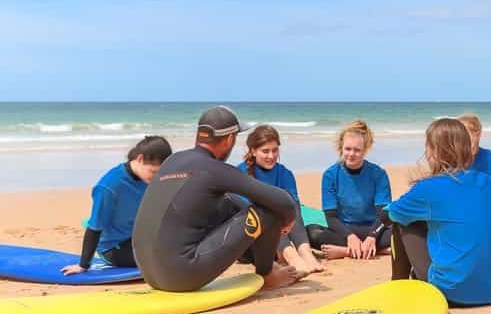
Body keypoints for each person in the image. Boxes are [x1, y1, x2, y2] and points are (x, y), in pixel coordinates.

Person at [132, 106, 301, 292]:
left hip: (147, 272)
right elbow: (284, 202)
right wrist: (288, 220)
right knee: (269, 212)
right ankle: (267, 274)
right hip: (182, 276)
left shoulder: (172, 161)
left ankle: (267, 262)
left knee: (228, 201)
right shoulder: (214, 169)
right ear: (229, 139)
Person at [387, 118, 491, 306]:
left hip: (454, 290)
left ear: (434, 151)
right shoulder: (488, 182)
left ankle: (397, 287)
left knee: (402, 221)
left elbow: (392, 214)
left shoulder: (428, 188)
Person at [61, 136, 172, 276]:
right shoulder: (109, 186)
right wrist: (83, 265)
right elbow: (94, 228)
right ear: (140, 159)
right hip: (114, 247)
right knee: (165, 259)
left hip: (138, 236)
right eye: (154, 172)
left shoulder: (147, 178)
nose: (157, 178)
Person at [238, 125, 324, 273]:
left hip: (278, 237)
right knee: (267, 211)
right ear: (253, 151)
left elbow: (293, 210)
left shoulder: (285, 173)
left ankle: (306, 253)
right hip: (249, 242)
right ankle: (292, 257)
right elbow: (243, 214)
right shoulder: (240, 174)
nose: (271, 156)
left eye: (275, 150)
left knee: (292, 205)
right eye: (265, 151)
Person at [306, 120, 392, 260]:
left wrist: (372, 237)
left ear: (365, 150)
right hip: (344, 230)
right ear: (341, 147)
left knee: (403, 231)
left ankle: (348, 251)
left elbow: (384, 215)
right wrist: (350, 237)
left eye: (357, 150)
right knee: (312, 233)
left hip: (373, 229)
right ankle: (375, 250)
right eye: (348, 149)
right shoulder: (331, 175)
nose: (351, 154)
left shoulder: (378, 174)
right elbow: (331, 217)